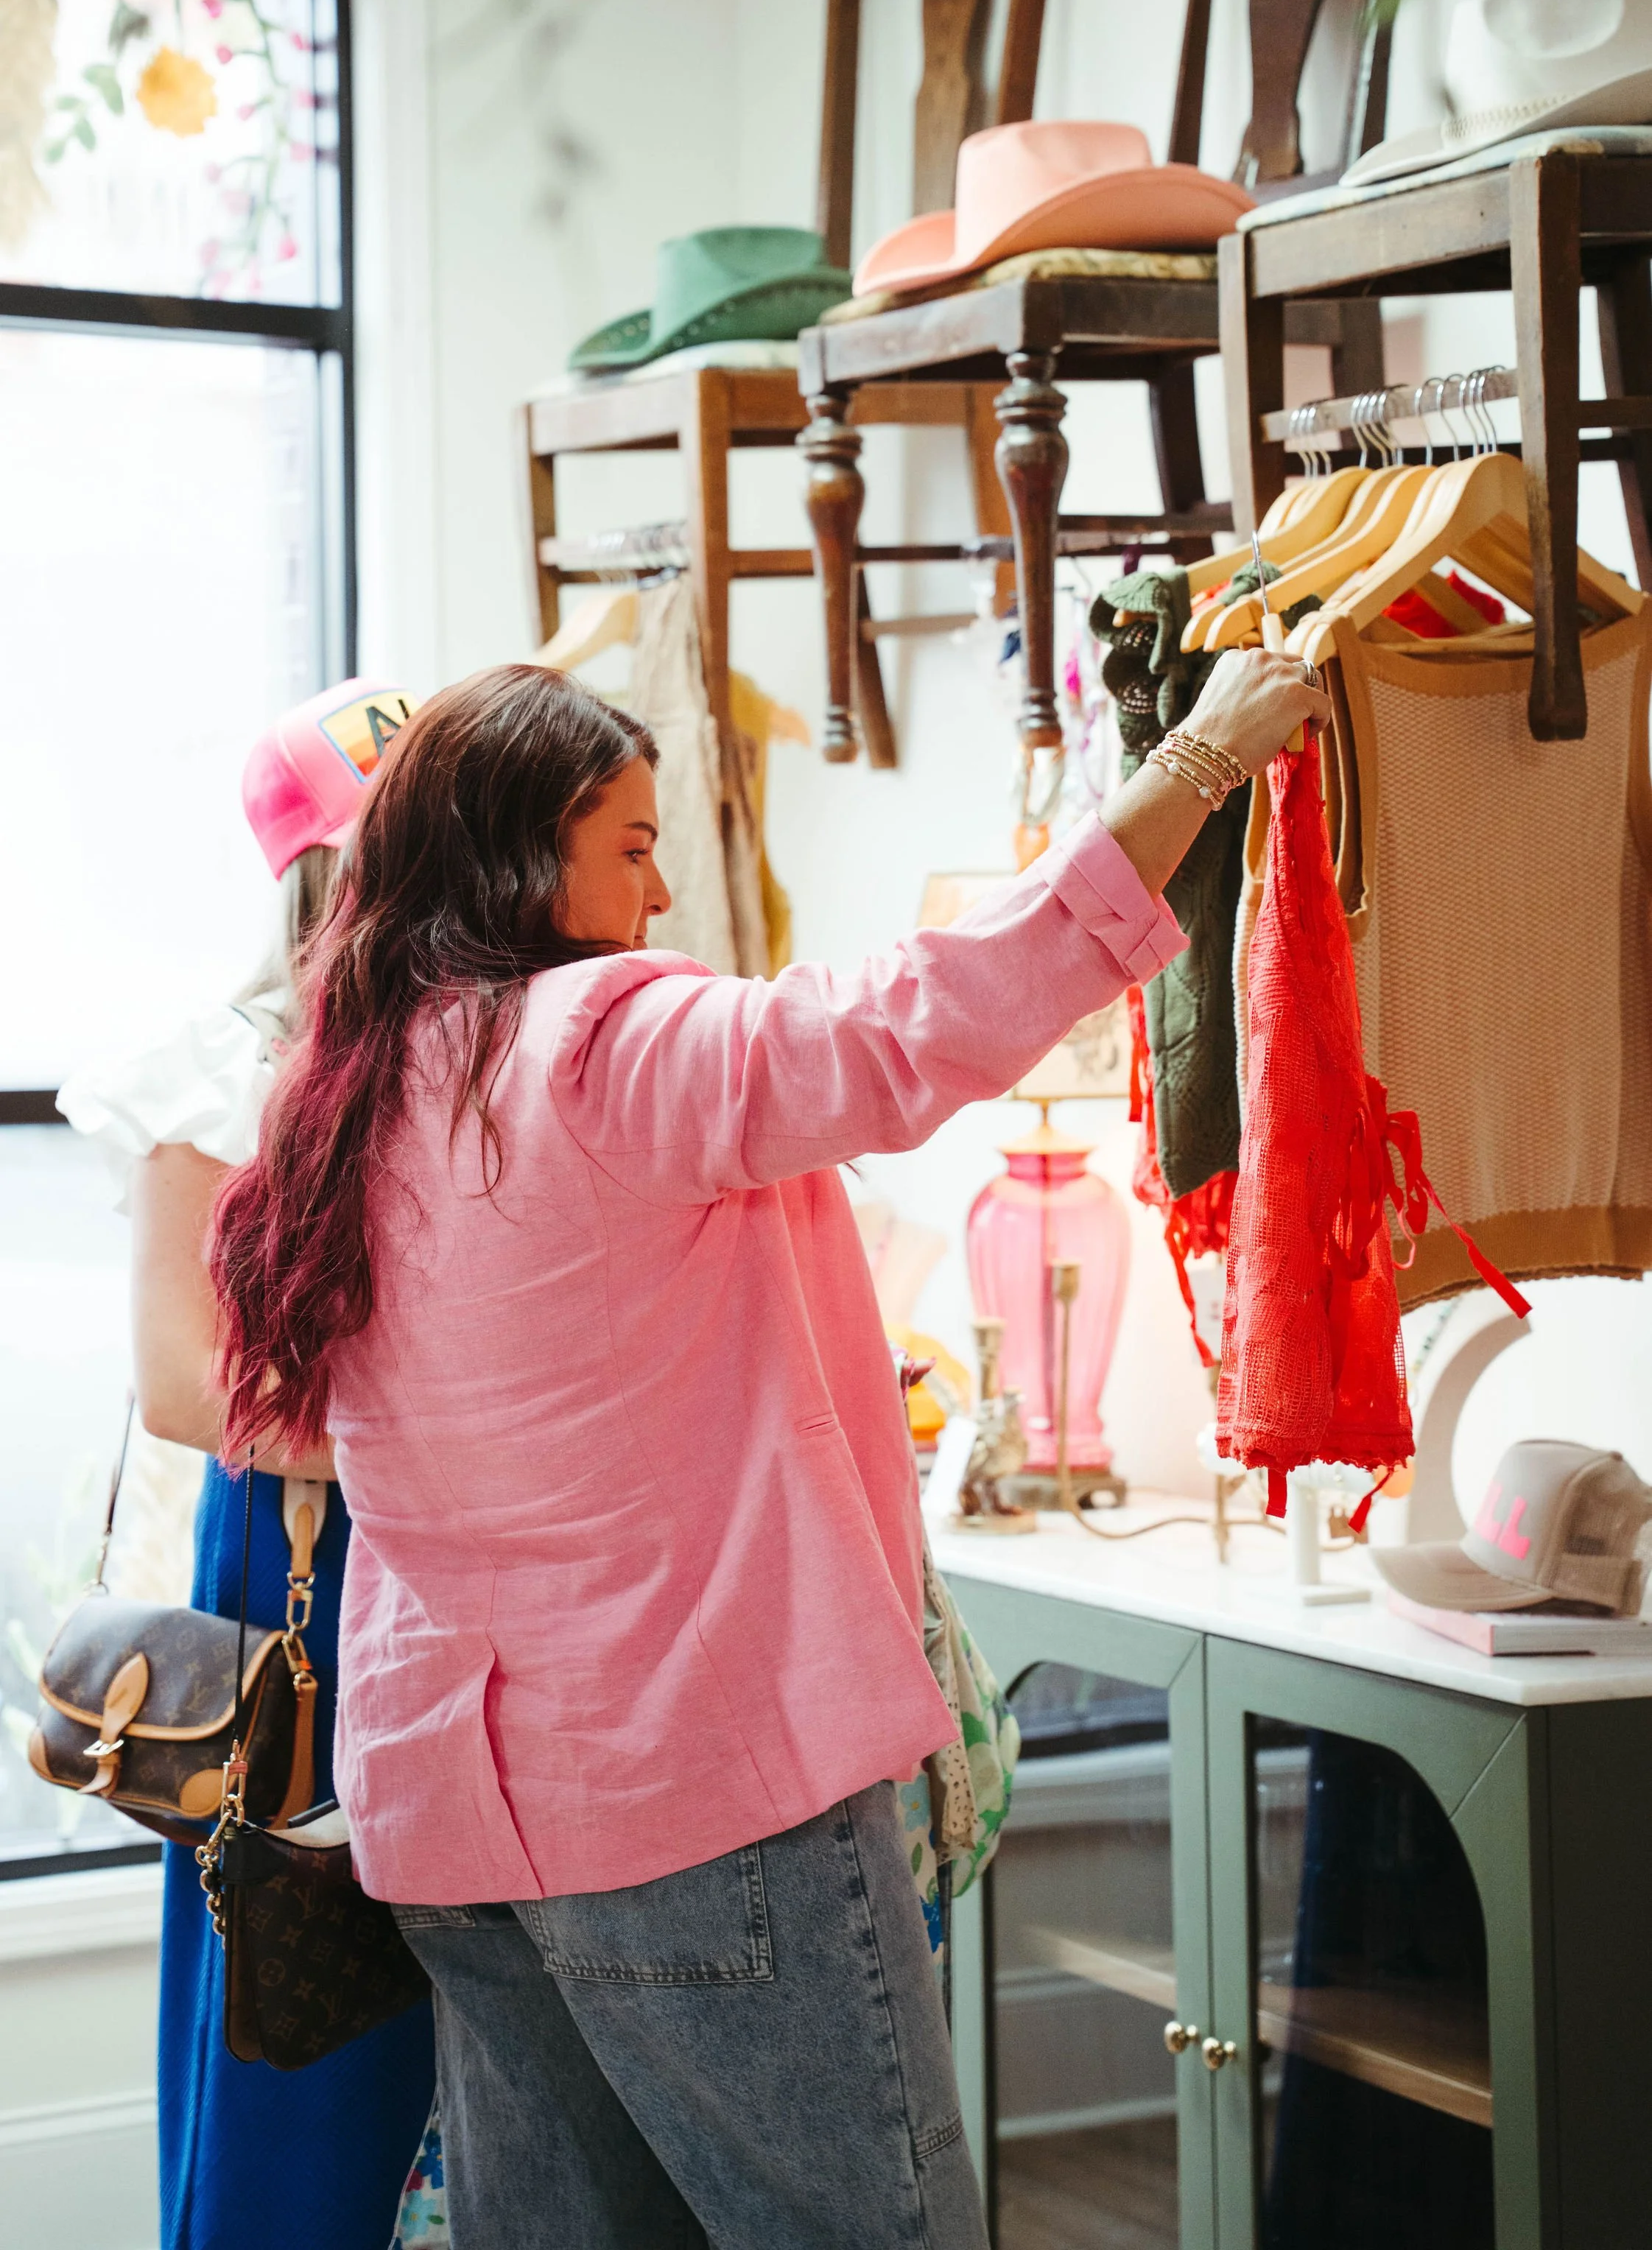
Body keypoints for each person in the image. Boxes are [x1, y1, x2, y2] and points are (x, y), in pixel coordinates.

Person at [209, 648, 1329, 2250]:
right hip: (682, 1794)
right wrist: (1188, 774)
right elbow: (902, 1027)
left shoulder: (349, 1086)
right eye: (632, 844)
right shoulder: (600, 1042)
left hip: (451, 1825)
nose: (659, 890)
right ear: (524, 854)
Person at [58, 677, 436, 2250]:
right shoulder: (214, 1078)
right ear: (317, 875)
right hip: (309, 1568)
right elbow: (185, 1389)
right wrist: (459, 1440)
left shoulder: (492, 1044)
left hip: (486, 1567)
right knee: (304, 1995)